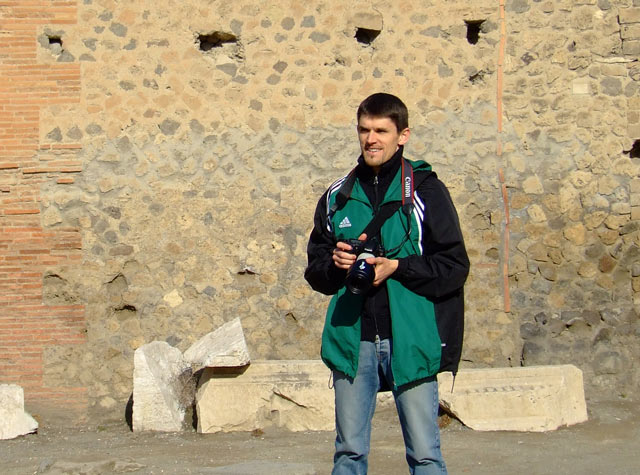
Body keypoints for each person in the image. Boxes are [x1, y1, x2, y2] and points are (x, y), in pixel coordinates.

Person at [304, 93, 470, 474]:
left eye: (381, 131)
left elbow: (454, 266)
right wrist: (336, 265)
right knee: (349, 453)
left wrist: (397, 267)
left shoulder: (425, 191)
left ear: (403, 135)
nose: (371, 139)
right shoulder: (338, 197)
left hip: (410, 338)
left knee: (425, 454)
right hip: (353, 341)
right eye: (364, 130)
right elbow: (316, 271)